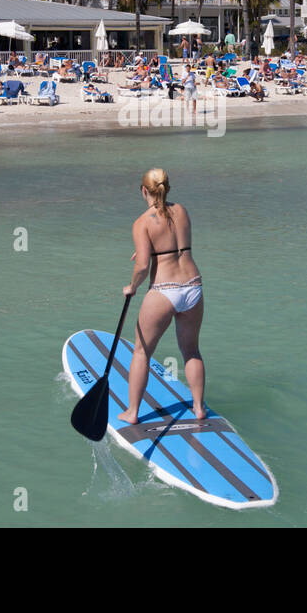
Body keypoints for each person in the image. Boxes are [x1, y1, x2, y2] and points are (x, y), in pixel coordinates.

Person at [118, 169, 206, 424]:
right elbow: (175, 244)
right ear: (167, 188)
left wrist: (132, 286)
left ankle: (133, 412)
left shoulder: (142, 222)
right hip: (193, 286)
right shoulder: (183, 210)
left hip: (164, 289)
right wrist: (148, 251)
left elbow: (143, 267)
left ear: (144, 191)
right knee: (191, 350)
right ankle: (199, 408)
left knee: (141, 352)